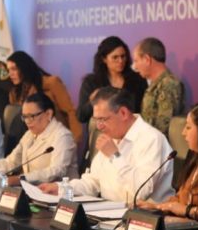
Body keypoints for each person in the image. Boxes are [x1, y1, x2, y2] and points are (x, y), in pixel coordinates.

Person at [40, 87, 173, 203]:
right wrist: (61, 188)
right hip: (109, 212)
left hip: (144, 217)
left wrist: (115, 156)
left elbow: (141, 192)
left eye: (103, 119)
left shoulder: (151, 139)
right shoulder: (112, 136)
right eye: (96, 120)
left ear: (123, 113)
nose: (99, 126)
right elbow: (92, 183)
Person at [0, 93, 77, 185]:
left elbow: (57, 171)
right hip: (32, 192)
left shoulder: (62, 136)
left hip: (59, 197)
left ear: (48, 114)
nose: (27, 121)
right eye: (24, 117)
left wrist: (21, 179)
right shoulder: (29, 135)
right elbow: (9, 163)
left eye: (31, 116)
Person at [6, 51, 81, 137]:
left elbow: (70, 111)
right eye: (8, 70)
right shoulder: (14, 93)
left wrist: (74, 139)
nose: (10, 74)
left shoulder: (51, 83)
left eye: (14, 69)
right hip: (30, 138)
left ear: (24, 67)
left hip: (56, 136)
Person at [76, 36, 147, 124]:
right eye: (115, 57)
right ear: (104, 59)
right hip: (101, 131)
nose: (120, 61)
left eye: (123, 56)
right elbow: (81, 116)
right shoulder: (91, 82)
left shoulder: (138, 79)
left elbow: (145, 111)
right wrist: (93, 101)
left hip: (132, 130)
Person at [131, 37, 184, 135]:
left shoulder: (168, 84)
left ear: (147, 59)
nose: (135, 67)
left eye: (136, 61)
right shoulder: (156, 83)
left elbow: (163, 127)